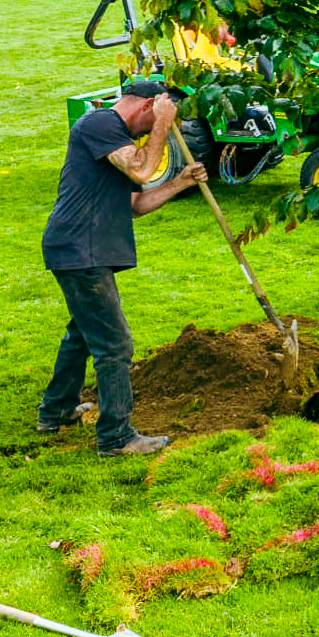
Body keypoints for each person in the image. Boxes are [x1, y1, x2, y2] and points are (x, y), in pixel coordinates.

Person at [36, 80, 207, 456]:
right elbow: (144, 171)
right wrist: (162, 122)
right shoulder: (100, 125)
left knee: (83, 333)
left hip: (81, 247)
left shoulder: (112, 140)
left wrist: (180, 183)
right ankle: (116, 437)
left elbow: (136, 203)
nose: (150, 131)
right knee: (114, 344)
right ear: (147, 105)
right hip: (81, 249)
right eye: (152, 119)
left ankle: (56, 410)